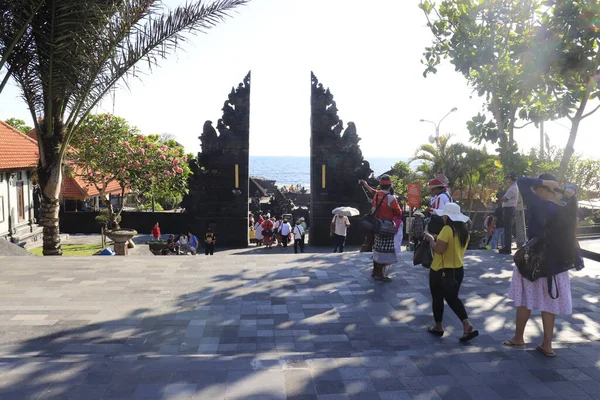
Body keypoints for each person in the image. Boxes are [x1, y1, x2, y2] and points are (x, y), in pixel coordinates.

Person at [503, 174, 583, 357]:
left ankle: (518, 338)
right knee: (549, 304)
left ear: (543, 189)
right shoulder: (567, 207)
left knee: (524, 300)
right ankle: (547, 345)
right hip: (557, 264)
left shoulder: (540, 205)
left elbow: (522, 182)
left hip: (534, 260)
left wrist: (545, 182)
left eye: (538, 187)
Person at [424, 203, 479, 342]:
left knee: (437, 298)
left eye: (444, 215)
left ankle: (438, 326)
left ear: (448, 216)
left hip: (440, 269)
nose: (442, 217)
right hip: (457, 269)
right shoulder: (463, 231)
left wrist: (430, 239)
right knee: (453, 298)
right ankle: (466, 324)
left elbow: (439, 249)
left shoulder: (447, 229)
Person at [359, 175, 402, 281]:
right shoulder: (391, 198)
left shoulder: (377, 195)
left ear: (381, 185)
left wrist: (366, 184)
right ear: (390, 186)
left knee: (377, 249)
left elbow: (373, 191)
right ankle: (380, 274)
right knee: (385, 251)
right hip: (386, 227)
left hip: (376, 225)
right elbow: (399, 212)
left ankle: (375, 271)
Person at [499, 172, 518, 254]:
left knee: (507, 230)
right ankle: (507, 247)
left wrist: (500, 197)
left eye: (508, 178)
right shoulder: (513, 187)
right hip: (509, 209)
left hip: (509, 209)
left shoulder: (512, 188)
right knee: (507, 229)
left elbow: (505, 198)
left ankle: (507, 248)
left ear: (511, 179)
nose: (507, 180)